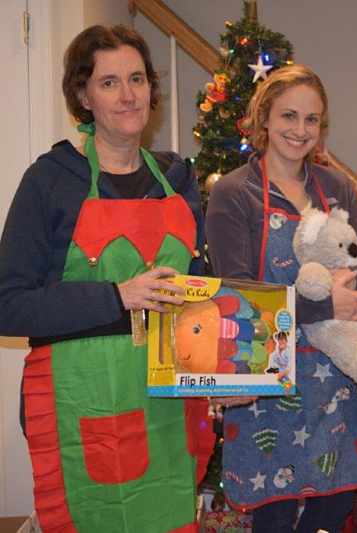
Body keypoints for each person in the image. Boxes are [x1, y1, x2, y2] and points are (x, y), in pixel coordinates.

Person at [0, 25, 213, 532]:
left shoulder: (178, 179)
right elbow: (8, 304)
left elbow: (200, 292)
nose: (128, 95)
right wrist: (118, 296)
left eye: (136, 79)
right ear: (84, 96)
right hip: (83, 403)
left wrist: (224, 372)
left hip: (167, 406)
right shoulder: (52, 179)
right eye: (109, 82)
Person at [205, 64, 357, 533]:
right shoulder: (234, 194)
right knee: (275, 517)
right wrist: (325, 306)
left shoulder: (337, 188)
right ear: (265, 118)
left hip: (337, 382)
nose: (300, 130)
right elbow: (239, 295)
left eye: (311, 119)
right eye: (289, 116)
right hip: (268, 383)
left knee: (332, 511)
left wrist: (354, 291)